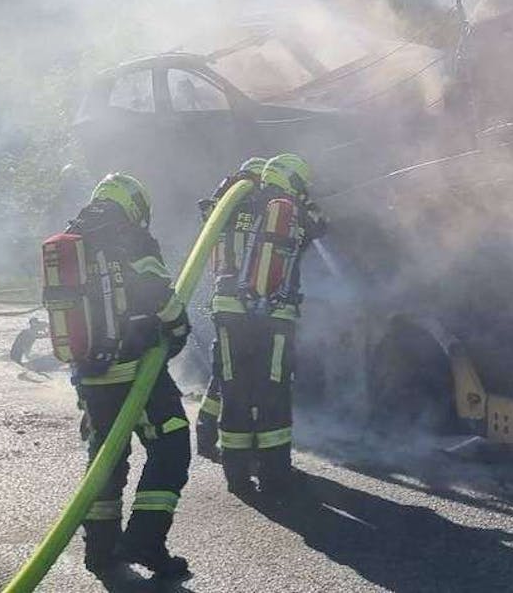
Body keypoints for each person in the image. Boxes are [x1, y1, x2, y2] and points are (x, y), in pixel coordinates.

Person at [66, 173, 193, 580]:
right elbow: (157, 293)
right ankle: (145, 540)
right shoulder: (131, 238)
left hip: (90, 374)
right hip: (136, 370)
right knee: (171, 444)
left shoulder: (73, 240)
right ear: (135, 205)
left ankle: (100, 551)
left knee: (107, 458)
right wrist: (178, 330)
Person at [193, 154, 326, 499]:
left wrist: (230, 185)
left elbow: (208, 219)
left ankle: (237, 475)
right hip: (275, 315)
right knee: (273, 393)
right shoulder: (291, 209)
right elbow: (320, 228)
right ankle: (275, 475)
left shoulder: (233, 205)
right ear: (294, 181)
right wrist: (303, 199)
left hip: (227, 311)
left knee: (234, 388)